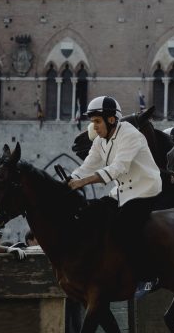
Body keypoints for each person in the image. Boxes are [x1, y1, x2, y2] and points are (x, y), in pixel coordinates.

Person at [68, 96, 162, 289]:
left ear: (111, 119)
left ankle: (149, 275)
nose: (94, 127)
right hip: (123, 191)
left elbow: (118, 168)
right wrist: (70, 178)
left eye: (97, 121)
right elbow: (87, 166)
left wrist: (82, 182)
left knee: (123, 227)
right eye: (93, 122)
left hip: (145, 188)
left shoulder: (130, 134)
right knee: (95, 213)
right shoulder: (100, 141)